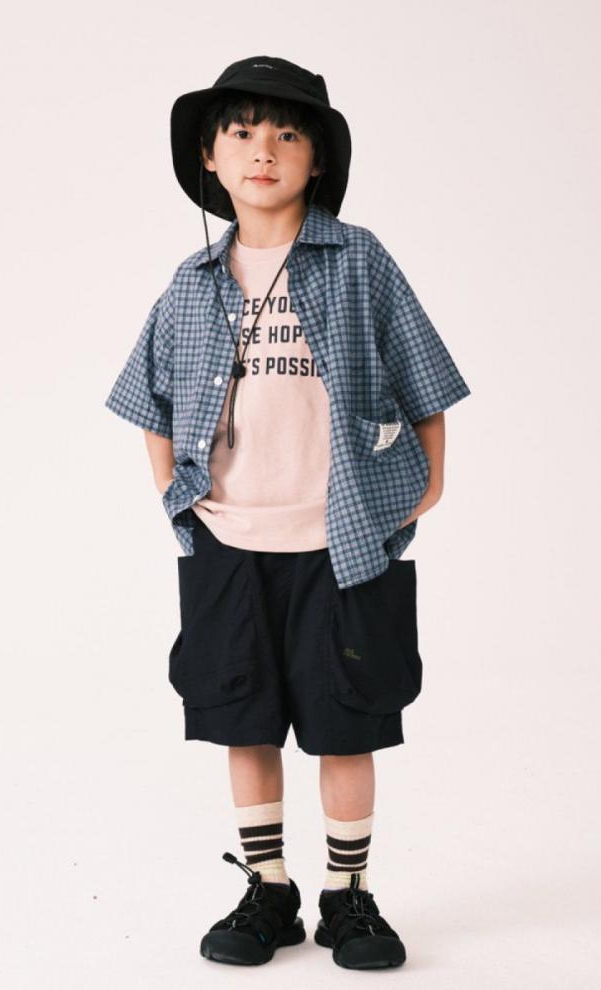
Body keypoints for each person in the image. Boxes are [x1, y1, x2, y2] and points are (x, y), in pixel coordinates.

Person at [105, 55, 470, 970]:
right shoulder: (192, 281)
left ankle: (349, 895)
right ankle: (268, 887)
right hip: (229, 540)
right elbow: (148, 397)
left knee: (350, 721)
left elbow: (424, 380)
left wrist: (424, 485)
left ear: (318, 159)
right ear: (210, 156)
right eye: (241, 132)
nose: (262, 149)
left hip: (344, 543)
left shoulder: (359, 260)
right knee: (244, 718)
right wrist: (176, 497)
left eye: (287, 133)